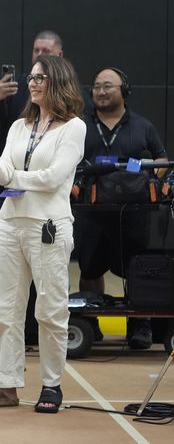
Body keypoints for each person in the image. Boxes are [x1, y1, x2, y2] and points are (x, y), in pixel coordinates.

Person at [0, 55, 85, 414]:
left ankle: (51, 385)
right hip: (10, 224)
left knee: (49, 311)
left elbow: (51, 179)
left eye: (41, 78)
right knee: (2, 310)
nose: (33, 83)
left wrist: (8, 176)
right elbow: (4, 171)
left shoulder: (74, 127)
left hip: (48, 227)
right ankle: (7, 386)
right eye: (31, 77)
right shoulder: (19, 126)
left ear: (59, 82)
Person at [0, 30, 65, 345]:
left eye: (45, 50)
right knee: (10, 269)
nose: (38, 55)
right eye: (35, 49)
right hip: (11, 190)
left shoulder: (67, 99)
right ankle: (15, 330)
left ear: (59, 55)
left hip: (45, 198)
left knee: (45, 270)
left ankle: (42, 329)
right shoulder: (20, 92)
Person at [75, 67, 167, 349]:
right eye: (97, 87)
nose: (101, 92)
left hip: (134, 213)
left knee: (135, 266)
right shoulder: (79, 125)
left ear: (124, 91)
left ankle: (139, 325)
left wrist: (151, 182)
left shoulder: (142, 126)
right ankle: (90, 322)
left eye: (108, 86)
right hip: (91, 212)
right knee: (90, 268)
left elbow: (161, 159)